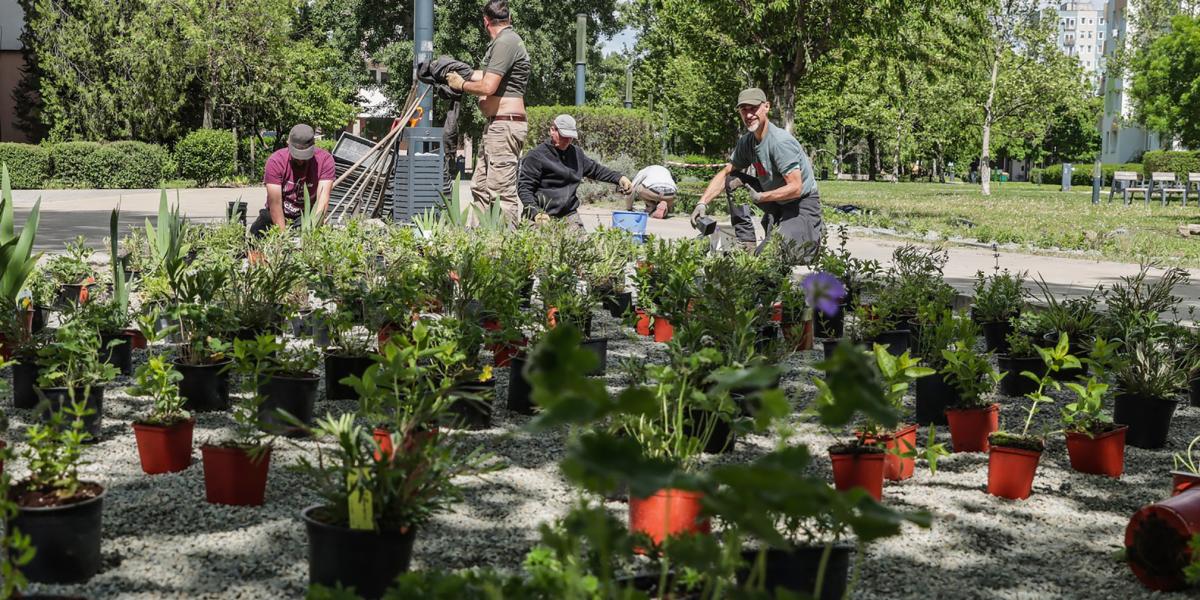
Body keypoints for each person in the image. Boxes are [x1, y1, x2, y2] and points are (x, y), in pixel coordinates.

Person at [690, 88, 823, 258]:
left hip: (801, 205)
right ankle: (745, 242)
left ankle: (807, 230)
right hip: (776, 201)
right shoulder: (748, 142)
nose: (749, 115)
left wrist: (761, 197)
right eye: (744, 110)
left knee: (774, 256)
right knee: (733, 179)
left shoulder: (779, 142)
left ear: (766, 107)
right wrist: (702, 203)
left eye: (753, 108)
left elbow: (796, 187)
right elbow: (725, 173)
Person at [447, 0, 530, 225]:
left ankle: (507, 251)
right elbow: (484, 76)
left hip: (505, 126)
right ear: (508, 18)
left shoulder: (506, 41)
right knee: (481, 187)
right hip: (496, 126)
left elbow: (487, 86)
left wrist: (461, 85)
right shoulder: (503, 43)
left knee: (500, 193)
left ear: (486, 21)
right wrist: (450, 71)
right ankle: (480, 245)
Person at [517, 114, 632, 228]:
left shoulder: (576, 154)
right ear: (552, 130)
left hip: (568, 215)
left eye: (570, 137)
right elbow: (524, 188)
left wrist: (619, 178)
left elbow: (596, 170)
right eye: (563, 136)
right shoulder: (536, 156)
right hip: (540, 214)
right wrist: (536, 212)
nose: (567, 141)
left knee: (583, 245)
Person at [252, 124, 335, 237]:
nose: (300, 160)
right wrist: (283, 239)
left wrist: (313, 232)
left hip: (305, 216)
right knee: (256, 235)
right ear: (288, 143)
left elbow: (323, 200)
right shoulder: (276, 161)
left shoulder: (325, 160)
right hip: (277, 213)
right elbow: (274, 203)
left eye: (305, 156)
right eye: (297, 155)